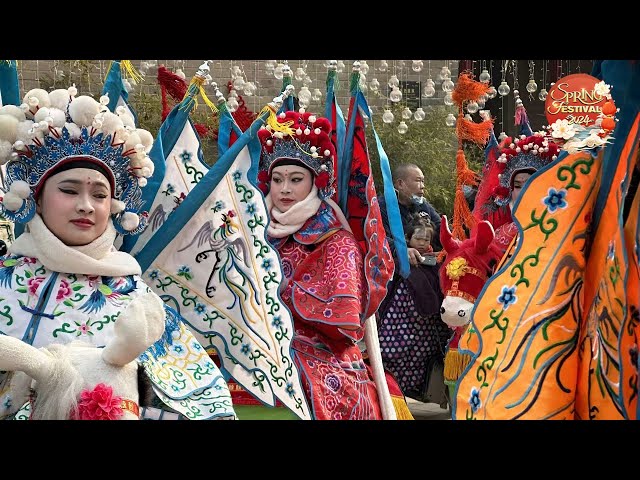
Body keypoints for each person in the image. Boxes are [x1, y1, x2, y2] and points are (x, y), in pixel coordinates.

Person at [0, 87, 235, 420]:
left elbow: (203, 402)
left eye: (99, 195)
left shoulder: (137, 301)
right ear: (36, 199)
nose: (85, 205)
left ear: (113, 207)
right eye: (68, 190)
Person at [253, 109, 388, 420]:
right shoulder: (254, 230)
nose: (284, 189)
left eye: (295, 179)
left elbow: (343, 321)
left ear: (315, 182)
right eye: (277, 179)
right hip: (256, 342)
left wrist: (275, 293)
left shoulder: (336, 239)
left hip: (320, 352)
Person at [377, 211, 450, 406]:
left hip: (424, 330)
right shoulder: (398, 261)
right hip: (398, 323)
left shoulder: (436, 261)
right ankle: (392, 395)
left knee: (420, 362)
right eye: (418, 238)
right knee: (391, 355)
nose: (422, 242)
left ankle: (413, 395)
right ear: (407, 239)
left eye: (426, 239)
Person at [379, 163, 442, 266]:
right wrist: (402, 250)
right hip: (396, 267)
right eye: (418, 181)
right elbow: (379, 239)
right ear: (400, 184)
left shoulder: (423, 205)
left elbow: (441, 228)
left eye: (423, 181)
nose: (423, 186)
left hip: (428, 262)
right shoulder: (382, 207)